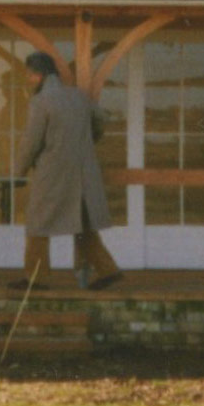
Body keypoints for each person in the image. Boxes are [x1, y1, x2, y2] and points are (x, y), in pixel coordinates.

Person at [12, 50, 123, 291]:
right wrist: (87, 141)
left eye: (31, 75)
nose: (29, 79)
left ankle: (36, 278)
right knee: (83, 225)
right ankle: (108, 270)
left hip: (52, 172)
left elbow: (31, 142)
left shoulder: (41, 102)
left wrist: (17, 172)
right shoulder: (79, 97)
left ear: (39, 75)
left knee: (37, 224)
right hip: (83, 171)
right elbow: (101, 119)